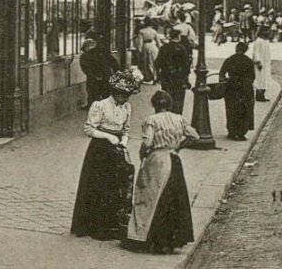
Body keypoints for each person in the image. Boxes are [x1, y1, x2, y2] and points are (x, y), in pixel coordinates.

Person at [123, 90, 199, 254]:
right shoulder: (179, 118)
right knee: (173, 198)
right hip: (174, 159)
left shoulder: (151, 120)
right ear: (169, 104)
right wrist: (178, 146)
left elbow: (148, 142)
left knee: (148, 197)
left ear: (154, 105)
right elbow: (194, 135)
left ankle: (142, 237)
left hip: (157, 160)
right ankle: (170, 240)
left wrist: (143, 154)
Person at [71, 70, 141, 241]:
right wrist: (108, 136)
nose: (124, 99)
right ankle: (94, 226)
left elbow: (126, 129)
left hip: (116, 149)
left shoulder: (127, 107)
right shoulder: (100, 105)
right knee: (97, 185)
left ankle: (112, 225)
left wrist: (123, 140)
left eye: (127, 96)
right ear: (115, 92)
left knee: (115, 186)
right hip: (100, 149)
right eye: (122, 95)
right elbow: (89, 129)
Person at [219, 42, 256, 140]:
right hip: (245, 88)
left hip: (232, 87)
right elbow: (252, 76)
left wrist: (225, 82)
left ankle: (232, 131)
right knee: (245, 109)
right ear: (245, 50)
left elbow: (222, 73)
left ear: (236, 49)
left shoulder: (230, 59)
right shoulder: (248, 61)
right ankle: (241, 132)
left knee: (231, 109)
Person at [155, 29, 191, 115]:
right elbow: (186, 66)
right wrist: (186, 80)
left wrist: (158, 76)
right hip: (179, 80)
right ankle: (177, 121)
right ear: (178, 37)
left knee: (167, 100)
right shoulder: (182, 49)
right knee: (178, 103)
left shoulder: (163, 48)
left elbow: (157, 63)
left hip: (166, 79)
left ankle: (167, 119)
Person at [80, 38, 119, 107]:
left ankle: (93, 111)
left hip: (93, 80)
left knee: (93, 98)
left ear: (86, 47)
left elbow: (86, 69)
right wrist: (116, 74)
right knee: (106, 97)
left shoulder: (84, 56)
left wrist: (95, 76)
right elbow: (114, 63)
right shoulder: (103, 52)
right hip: (107, 77)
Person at [136, 19, 161, 84]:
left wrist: (139, 51)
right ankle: (155, 77)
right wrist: (160, 49)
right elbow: (158, 42)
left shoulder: (141, 31)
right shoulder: (154, 31)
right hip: (153, 47)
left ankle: (148, 77)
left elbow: (140, 43)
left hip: (145, 46)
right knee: (153, 62)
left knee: (146, 62)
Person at [252, 30, 272, 102]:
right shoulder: (258, 41)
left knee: (265, 80)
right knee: (260, 80)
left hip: (265, 63)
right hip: (260, 64)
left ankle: (262, 95)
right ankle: (259, 96)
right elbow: (255, 52)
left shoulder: (265, 41)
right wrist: (258, 61)